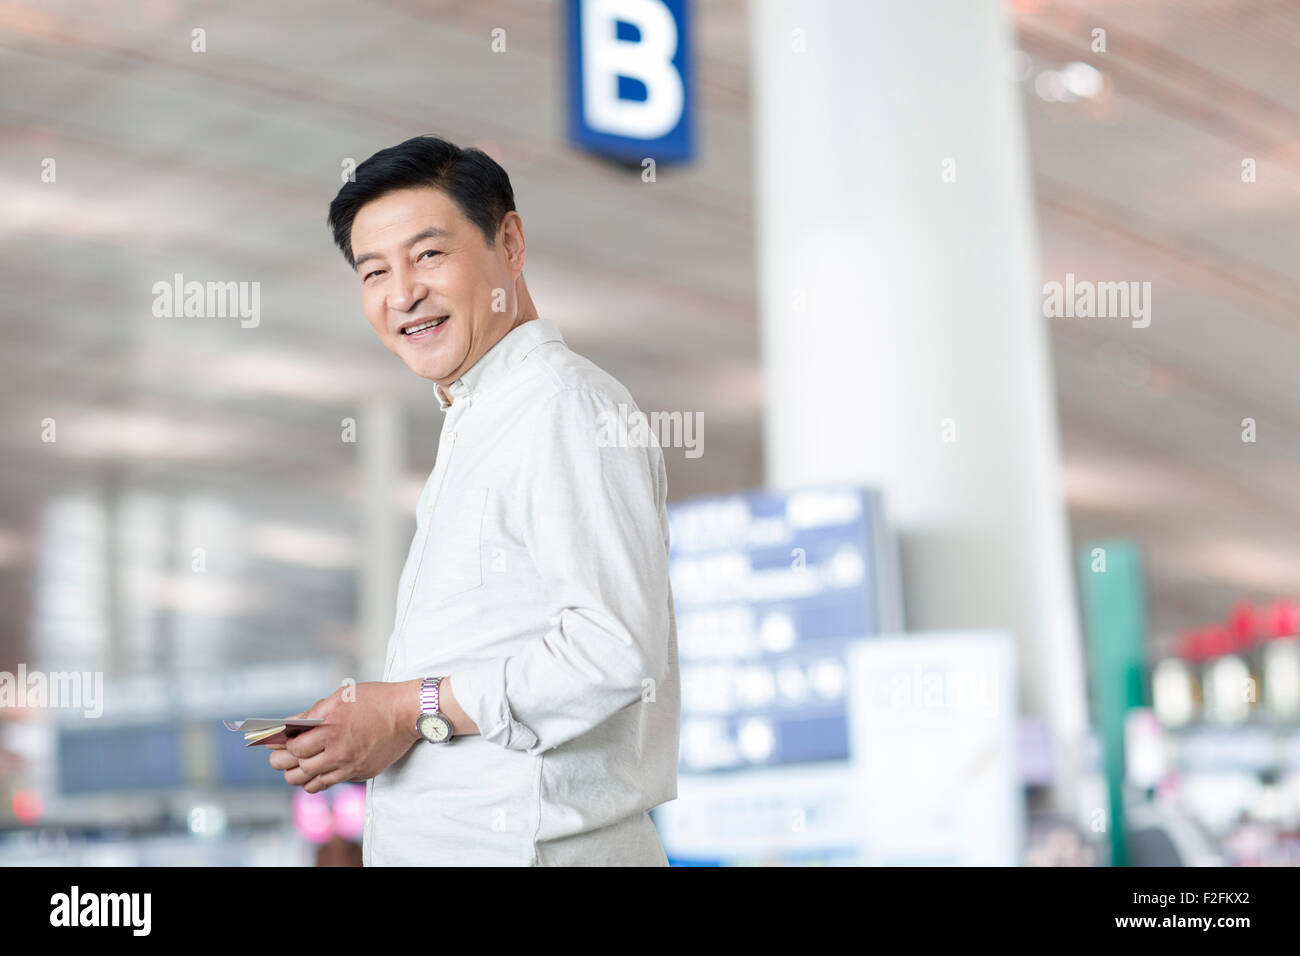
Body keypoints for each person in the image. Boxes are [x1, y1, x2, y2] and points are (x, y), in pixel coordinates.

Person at [267, 134, 679, 866]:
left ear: (510, 243)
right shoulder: (482, 421)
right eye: (374, 271)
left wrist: (406, 707)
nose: (402, 294)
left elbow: (613, 651)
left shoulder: (561, 406)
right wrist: (379, 724)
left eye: (428, 255)